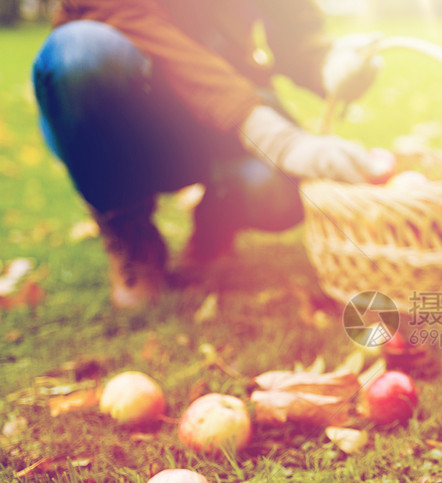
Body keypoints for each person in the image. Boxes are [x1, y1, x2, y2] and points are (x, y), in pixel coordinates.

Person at [31, 0, 383, 309]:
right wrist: (272, 135)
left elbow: (293, 26)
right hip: (121, 112)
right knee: (81, 53)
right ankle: (129, 232)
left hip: (214, 117)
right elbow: (125, 16)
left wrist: (328, 64)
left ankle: (217, 222)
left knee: (281, 188)